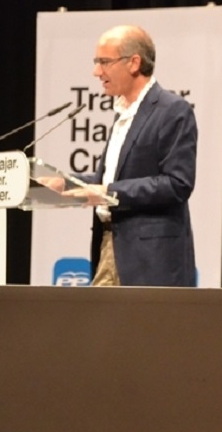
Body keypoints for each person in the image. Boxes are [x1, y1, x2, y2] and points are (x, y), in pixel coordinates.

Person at [65, 25, 197, 287]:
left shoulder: (173, 111)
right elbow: (114, 178)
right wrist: (66, 183)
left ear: (134, 63)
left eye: (104, 62)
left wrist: (107, 193)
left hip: (150, 260)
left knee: (143, 329)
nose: (96, 72)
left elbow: (177, 184)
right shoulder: (123, 113)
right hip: (109, 246)